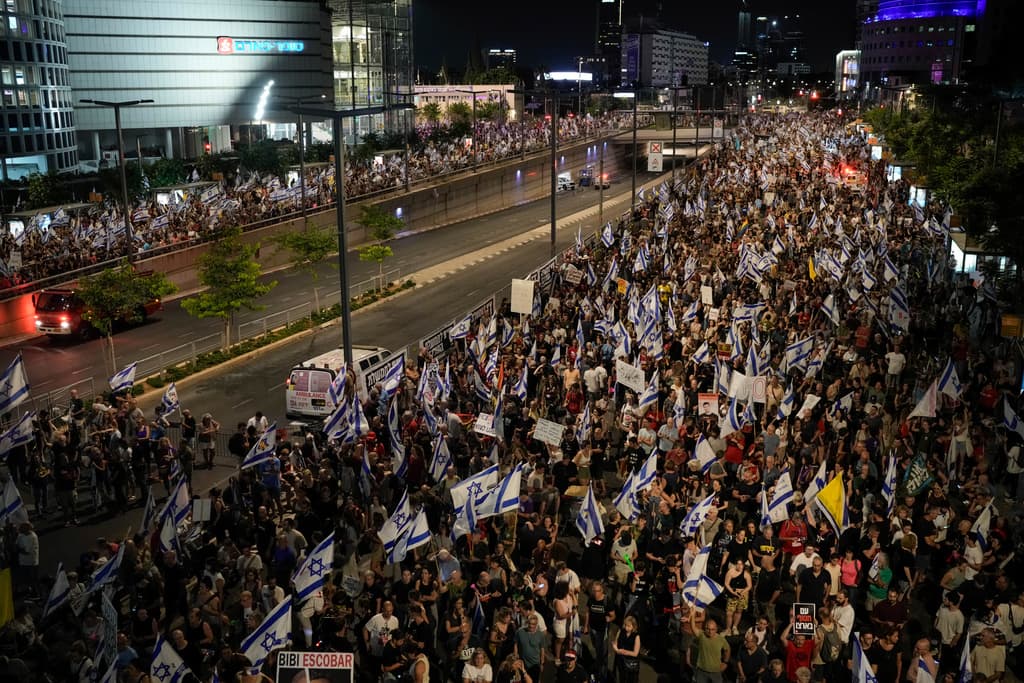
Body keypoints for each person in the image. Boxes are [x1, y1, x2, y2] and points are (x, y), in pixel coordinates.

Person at [688, 612, 729, 683]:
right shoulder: (702, 635)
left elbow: (727, 649)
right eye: (708, 629)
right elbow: (693, 627)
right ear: (705, 628)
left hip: (716, 671)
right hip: (702, 671)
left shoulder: (721, 639)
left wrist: (725, 662)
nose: (710, 631)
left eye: (712, 629)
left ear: (716, 629)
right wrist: (692, 615)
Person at [612, 615, 642, 683]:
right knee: (622, 678)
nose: (626, 628)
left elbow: (635, 653)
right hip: (621, 661)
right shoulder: (621, 631)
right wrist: (615, 647)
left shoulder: (636, 636)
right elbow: (616, 641)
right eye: (625, 625)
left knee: (631, 680)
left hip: (631, 663)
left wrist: (624, 651)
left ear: (633, 626)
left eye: (629, 626)